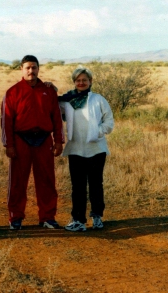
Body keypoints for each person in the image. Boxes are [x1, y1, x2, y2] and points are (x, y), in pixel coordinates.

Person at [1, 55, 64, 230]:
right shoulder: (13, 92)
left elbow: (57, 118)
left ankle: (47, 217)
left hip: (44, 139)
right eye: (28, 67)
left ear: (38, 69)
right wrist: (9, 145)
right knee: (18, 181)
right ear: (21, 68)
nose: (31, 71)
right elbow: (6, 121)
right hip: (21, 139)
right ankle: (16, 217)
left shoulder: (48, 91)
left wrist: (58, 141)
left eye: (34, 67)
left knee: (46, 180)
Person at [58, 66, 114, 232]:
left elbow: (109, 122)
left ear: (90, 81)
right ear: (74, 82)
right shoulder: (67, 100)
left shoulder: (98, 99)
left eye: (84, 80)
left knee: (96, 184)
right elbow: (51, 106)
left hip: (96, 149)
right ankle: (78, 220)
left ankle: (97, 217)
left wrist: (98, 132)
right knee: (78, 186)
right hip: (75, 149)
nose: (81, 82)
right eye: (78, 80)